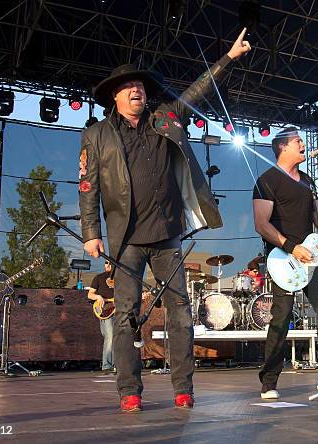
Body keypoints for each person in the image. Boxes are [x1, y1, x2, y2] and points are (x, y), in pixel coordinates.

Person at [79, 29, 250, 413]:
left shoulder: (165, 118)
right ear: (115, 96)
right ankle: (129, 392)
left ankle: (183, 389)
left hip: (167, 234)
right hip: (126, 240)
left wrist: (228, 58)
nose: (137, 91)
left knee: (180, 311)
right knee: (124, 315)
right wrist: (92, 232)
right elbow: (87, 186)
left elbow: (196, 92)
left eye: (140, 86)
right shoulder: (97, 135)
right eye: (129, 88)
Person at [253, 127, 318, 399]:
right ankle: (269, 381)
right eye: (298, 141)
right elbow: (261, 224)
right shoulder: (267, 180)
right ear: (283, 147)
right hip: (284, 259)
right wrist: (291, 247)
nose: (303, 145)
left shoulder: (308, 181)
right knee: (281, 317)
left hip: (315, 258)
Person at [87, 261, 116, 374]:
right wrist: (98, 297)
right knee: (109, 335)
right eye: (105, 263)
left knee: (114, 336)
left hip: (117, 308)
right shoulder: (99, 278)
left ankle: (114, 364)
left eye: (110, 263)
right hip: (105, 309)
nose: (108, 265)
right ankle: (107, 365)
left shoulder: (121, 278)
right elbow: (90, 294)